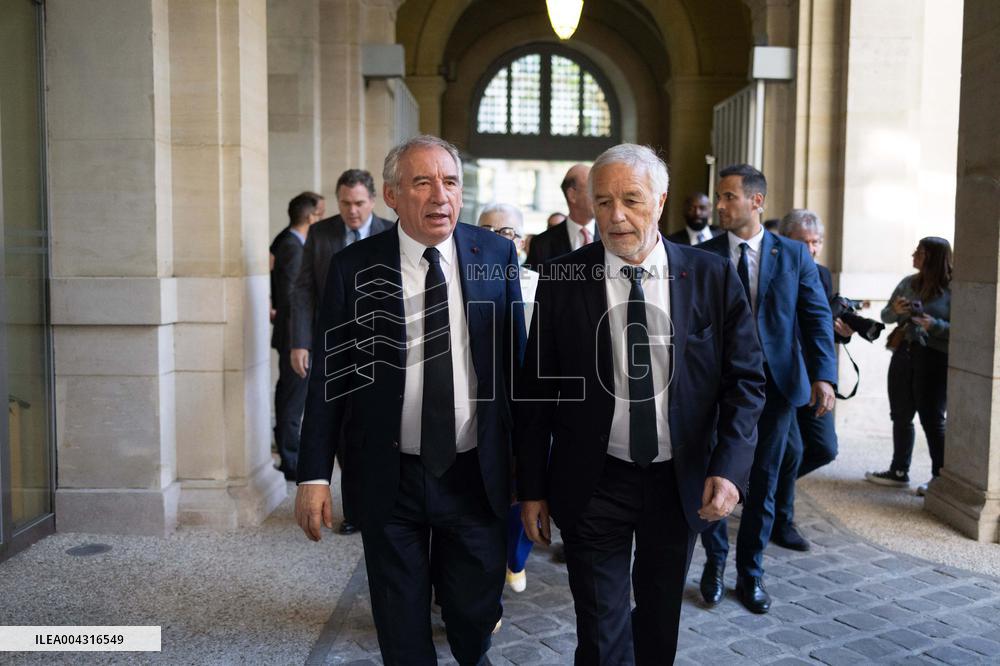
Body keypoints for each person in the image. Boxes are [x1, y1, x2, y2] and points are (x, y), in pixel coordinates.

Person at [516, 144, 766, 664]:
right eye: (603, 202)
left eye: (631, 199)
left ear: (661, 199)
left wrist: (730, 468)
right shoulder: (563, 279)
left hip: (679, 484)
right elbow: (537, 393)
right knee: (601, 635)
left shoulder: (711, 275)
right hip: (593, 481)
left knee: (657, 627)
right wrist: (531, 489)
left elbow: (745, 380)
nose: (616, 216)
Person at [295, 135, 525, 666]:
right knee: (400, 624)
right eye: (423, 183)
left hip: (475, 472)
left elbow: (518, 369)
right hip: (388, 473)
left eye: (450, 182)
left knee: (473, 611)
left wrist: (529, 477)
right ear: (393, 196)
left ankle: (473, 652)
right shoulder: (354, 267)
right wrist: (312, 476)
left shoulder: (493, 254)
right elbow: (331, 376)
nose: (440, 196)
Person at [696, 165, 837, 614]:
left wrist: (824, 375)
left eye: (729, 197)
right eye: (718, 197)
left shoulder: (795, 255)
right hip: (716, 390)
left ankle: (751, 574)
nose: (720, 206)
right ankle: (714, 565)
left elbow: (816, 318)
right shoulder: (705, 254)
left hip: (777, 389)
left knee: (765, 484)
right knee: (714, 477)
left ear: (757, 202)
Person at [288, 170, 393, 534]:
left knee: (371, 427)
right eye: (346, 203)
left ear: (373, 201)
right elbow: (303, 291)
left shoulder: (391, 232)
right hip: (332, 346)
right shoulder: (321, 234)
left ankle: (377, 503)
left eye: (359, 203)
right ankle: (356, 510)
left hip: (378, 350)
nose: (352, 211)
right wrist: (300, 342)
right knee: (343, 430)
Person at [771, 209, 853, 552]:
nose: (812, 248)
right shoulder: (770, 269)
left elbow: (817, 323)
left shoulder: (821, 274)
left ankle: (763, 491)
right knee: (791, 451)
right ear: (785, 241)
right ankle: (781, 520)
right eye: (803, 242)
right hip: (784, 376)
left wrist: (840, 335)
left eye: (816, 241)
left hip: (813, 377)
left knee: (824, 448)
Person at [478, 203, 537, 593]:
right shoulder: (463, 278)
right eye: (489, 232)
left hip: (530, 402)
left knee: (525, 483)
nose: (501, 240)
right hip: (481, 403)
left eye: (509, 233)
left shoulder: (540, 283)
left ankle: (514, 558)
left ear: (522, 240)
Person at [865, 237, 952, 496]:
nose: (914, 255)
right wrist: (895, 310)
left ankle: (940, 476)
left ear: (934, 257)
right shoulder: (908, 283)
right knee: (901, 413)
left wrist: (934, 325)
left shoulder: (955, 289)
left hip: (935, 356)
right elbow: (885, 317)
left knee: (932, 418)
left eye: (920, 252)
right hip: (905, 351)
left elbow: (967, 330)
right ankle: (899, 470)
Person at [270, 193, 322, 479]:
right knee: (292, 400)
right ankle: (291, 462)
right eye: (320, 213)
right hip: (294, 339)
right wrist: (299, 342)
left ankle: (292, 456)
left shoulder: (290, 242)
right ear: (311, 217)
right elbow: (293, 298)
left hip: (293, 336)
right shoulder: (292, 246)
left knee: (291, 397)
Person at [525, 164, 597, 269]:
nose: (599, 195)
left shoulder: (612, 235)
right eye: (592, 189)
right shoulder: (541, 244)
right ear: (572, 195)